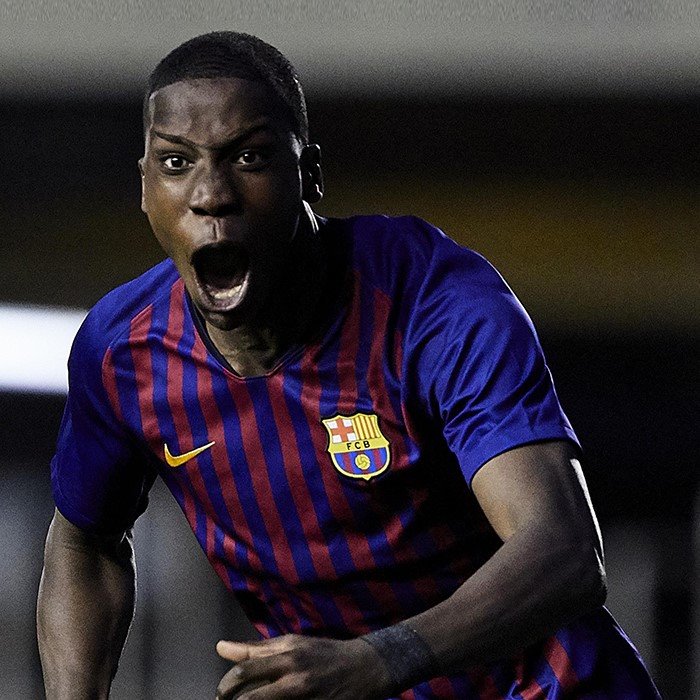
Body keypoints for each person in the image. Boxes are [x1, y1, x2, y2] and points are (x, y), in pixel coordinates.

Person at [37, 31, 660, 699]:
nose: (211, 194)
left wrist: (378, 661)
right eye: (175, 162)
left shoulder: (434, 303)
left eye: (249, 157)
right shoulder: (122, 351)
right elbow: (85, 543)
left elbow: (563, 549)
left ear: (309, 176)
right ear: (145, 187)